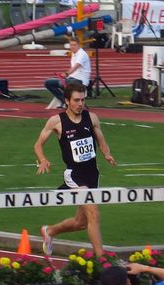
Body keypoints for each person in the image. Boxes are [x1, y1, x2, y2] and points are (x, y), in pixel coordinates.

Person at [34, 82, 117, 257]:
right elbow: (38, 144)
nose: (80, 104)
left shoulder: (92, 117)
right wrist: (43, 159)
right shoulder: (57, 121)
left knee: (81, 222)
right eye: (76, 100)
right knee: (94, 213)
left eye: (83, 100)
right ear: (67, 101)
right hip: (74, 175)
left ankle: (49, 231)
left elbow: (100, 139)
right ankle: (101, 260)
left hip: (92, 174)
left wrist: (107, 154)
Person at [44, 37, 91, 108]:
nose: (72, 47)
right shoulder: (73, 53)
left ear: (79, 45)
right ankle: (65, 101)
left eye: (74, 45)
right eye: (71, 45)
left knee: (63, 83)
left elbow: (75, 67)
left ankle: (68, 102)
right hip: (72, 79)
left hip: (81, 81)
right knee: (48, 82)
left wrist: (66, 74)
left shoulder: (82, 54)